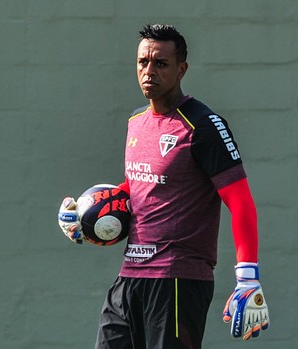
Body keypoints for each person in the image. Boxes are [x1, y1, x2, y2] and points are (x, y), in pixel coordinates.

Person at [58, 24, 269, 349]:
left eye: (161, 63)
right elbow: (139, 184)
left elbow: (240, 201)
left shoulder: (203, 125)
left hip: (177, 279)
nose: (149, 71)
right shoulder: (135, 122)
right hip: (129, 277)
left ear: (181, 69)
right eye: (143, 62)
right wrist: (89, 213)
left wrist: (248, 278)